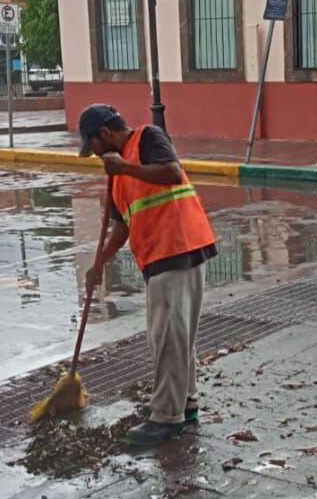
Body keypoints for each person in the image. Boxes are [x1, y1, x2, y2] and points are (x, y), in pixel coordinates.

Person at [78, 104, 217, 445]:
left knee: (167, 337)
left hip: (177, 248)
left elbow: (171, 172)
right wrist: (100, 263)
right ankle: (184, 403)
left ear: (106, 134)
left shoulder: (148, 138)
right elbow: (122, 226)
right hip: (164, 255)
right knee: (177, 336)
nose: (94, 154)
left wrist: (125, 167)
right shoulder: (117, 177)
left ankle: (166, 418)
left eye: (93, 146)